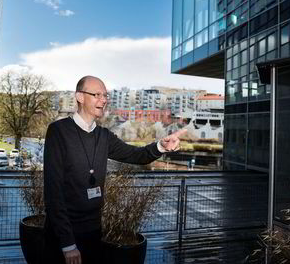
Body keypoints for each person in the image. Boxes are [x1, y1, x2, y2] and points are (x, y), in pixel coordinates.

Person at [43, 76, 187, 264]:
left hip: (93, 232)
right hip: (63, 236)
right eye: (96, 94)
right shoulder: (58, 131)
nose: (103, 100)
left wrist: (160, 145)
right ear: (79, 96)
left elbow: (137, 155)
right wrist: (68, 244)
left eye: (105, 95)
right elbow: (53, 192)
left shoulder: (104, 136)